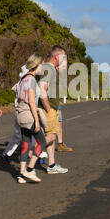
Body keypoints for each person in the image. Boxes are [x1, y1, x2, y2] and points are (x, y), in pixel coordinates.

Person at [16, 54, 48, 183]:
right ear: (36, 65)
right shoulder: (32, 80)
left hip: (20, 115)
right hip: (29, 115)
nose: (42, 67)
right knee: (42, 142)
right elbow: (31, 101)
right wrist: (36, 121)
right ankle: (29, 170)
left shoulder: (22, 80)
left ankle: (21, 174)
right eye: (41, 65)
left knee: (25, 143)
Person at [39, 45, 69, 174]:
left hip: (53, 107)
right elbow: (42, 89)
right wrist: (48, 108)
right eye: (64, 57)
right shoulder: (48, 69)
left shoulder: (52, 69)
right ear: (56, 56)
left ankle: (51, 165)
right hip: (49, 108)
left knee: (51, 137)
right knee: (50, 137)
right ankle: (30, 151)